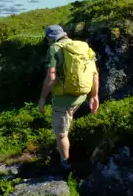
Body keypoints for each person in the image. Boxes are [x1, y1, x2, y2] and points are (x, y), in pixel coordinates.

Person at [38, 24, 100, 171]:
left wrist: (42, 99)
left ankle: (65, 165)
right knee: (67, 119)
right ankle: (67, 150)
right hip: (82, 95)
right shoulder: (83, 46)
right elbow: (95, 73)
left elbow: (51, 76)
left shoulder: (54, 48)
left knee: (61, 134)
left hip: (64, 99)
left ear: (50, 38)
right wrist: (94, 96)